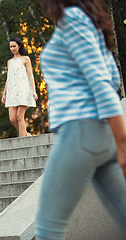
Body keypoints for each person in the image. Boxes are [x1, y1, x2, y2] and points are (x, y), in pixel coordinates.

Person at [35, 0, 126, 239]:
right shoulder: (90, 22)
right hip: (100, 135)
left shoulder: (72, 18)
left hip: (80, 130)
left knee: (47, 231)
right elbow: (111, 76)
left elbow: (101, 83)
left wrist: (123, 144)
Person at [1, 37, 38, 137]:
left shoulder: (25, 59)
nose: (12, 48)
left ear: (19, 46)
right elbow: (8, 79)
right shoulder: (9, 62)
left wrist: (34, 91)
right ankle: (26, 134)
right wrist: (4, 94)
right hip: (12, 92)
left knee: (19, 116)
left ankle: (23, 141)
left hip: (23, 90)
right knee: (12, 118)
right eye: (10, 47)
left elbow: (30, 75)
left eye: (14, 46)